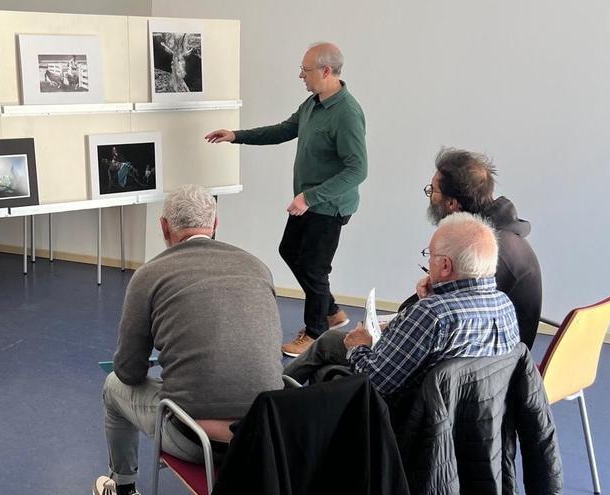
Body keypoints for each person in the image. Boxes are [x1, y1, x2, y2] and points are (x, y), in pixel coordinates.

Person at [93, 185, 284, 495]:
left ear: (164, 227)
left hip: (196, 440)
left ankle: (123, 486)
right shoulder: (258, 267)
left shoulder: (149, 275)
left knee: (113, 386)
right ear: (215, 224)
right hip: (267, 436)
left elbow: (128, 371)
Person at [204, 42, 367, 357]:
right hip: (307, 202)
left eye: (305, 70)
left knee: (315, 268)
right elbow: (282, 130)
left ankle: (315, 333)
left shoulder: (347, 113)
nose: (300, 76)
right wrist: (236, 136)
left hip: (329, 205)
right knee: (290, 250)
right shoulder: (313, 104)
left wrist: (311, 197)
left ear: (327, 71)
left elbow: (358, 169)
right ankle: (332, 311)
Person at [285, 212, 520, 396]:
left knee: (327, 367)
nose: (428, 261)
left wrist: (358, 347)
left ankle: (271, 398)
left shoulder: (432, 315)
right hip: (463, 413)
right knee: (330, 340)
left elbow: (376, 382)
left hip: (405, 411)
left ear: (446, 266)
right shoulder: (505, 305)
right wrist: (431, 299)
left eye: (430, 255)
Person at [423, 148, 542, 347]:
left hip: (491, 357)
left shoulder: (486, 251)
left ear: (452, 203)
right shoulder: (502, 238)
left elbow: (448, 315)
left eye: (433, 191)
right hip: (497, 352)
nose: (430, 196)